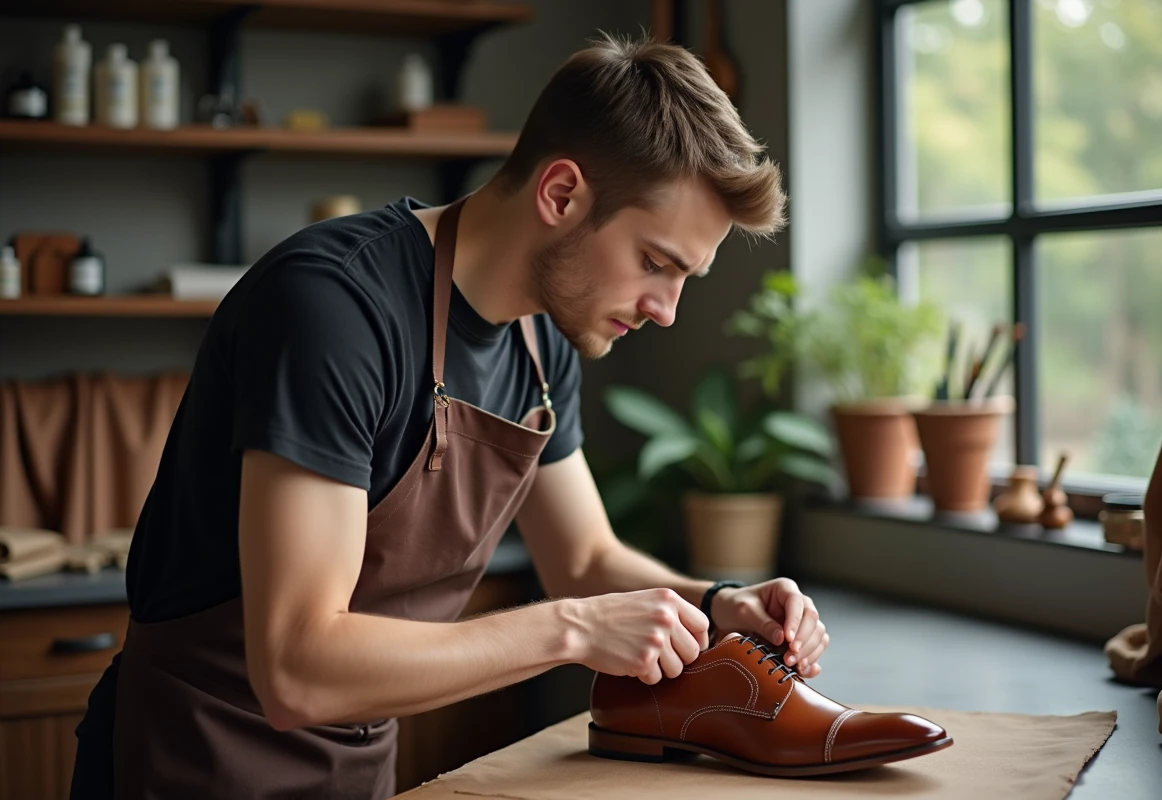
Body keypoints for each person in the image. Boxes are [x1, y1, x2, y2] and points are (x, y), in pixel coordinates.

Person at [69, 33, 829, 799]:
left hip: (356, 771)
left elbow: (587, 560)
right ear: (561, 194)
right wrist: (571, 630)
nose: (667, 311)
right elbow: (297, 667)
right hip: (188, 760)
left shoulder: (543, 340)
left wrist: (719, 602)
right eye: (656, 263)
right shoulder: (333, 310)